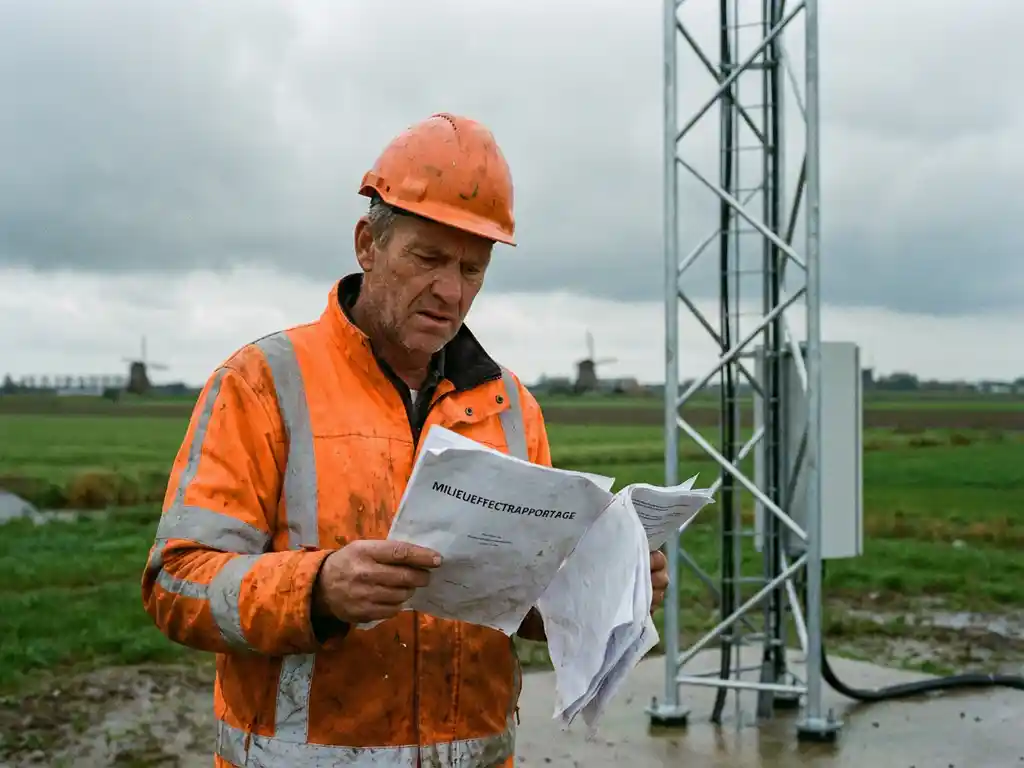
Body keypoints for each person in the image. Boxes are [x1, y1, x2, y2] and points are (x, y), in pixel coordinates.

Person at [141, 112, 671, 768]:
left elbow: (517, 608)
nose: (450, 292)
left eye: (472, 270)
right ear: (368, 243)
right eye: (428, 259)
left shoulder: (513, 409)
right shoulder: (261, 385)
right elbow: (178, 585)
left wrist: (603, 589)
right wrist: (317, 589)